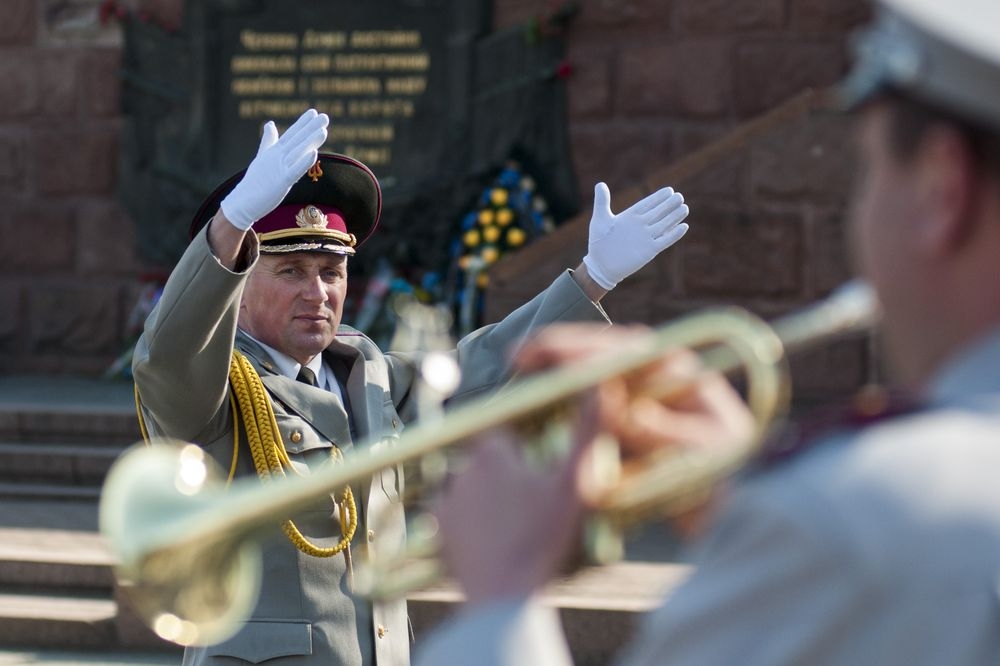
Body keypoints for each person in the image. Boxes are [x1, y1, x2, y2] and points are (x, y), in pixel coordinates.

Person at [414, 0, 1000, 663]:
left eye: (868, 171)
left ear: (941, 189)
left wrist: (500, 603)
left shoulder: (848, 516)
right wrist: (750, 505)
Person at [131, 106, 691, 666]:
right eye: (291, 271)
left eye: (331, 272)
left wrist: (592, 279)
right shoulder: (212, 389)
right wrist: (231, 225)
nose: (317, 293)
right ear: (239, 285)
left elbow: (483, 370)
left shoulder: (366, 372)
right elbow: (166, 359)